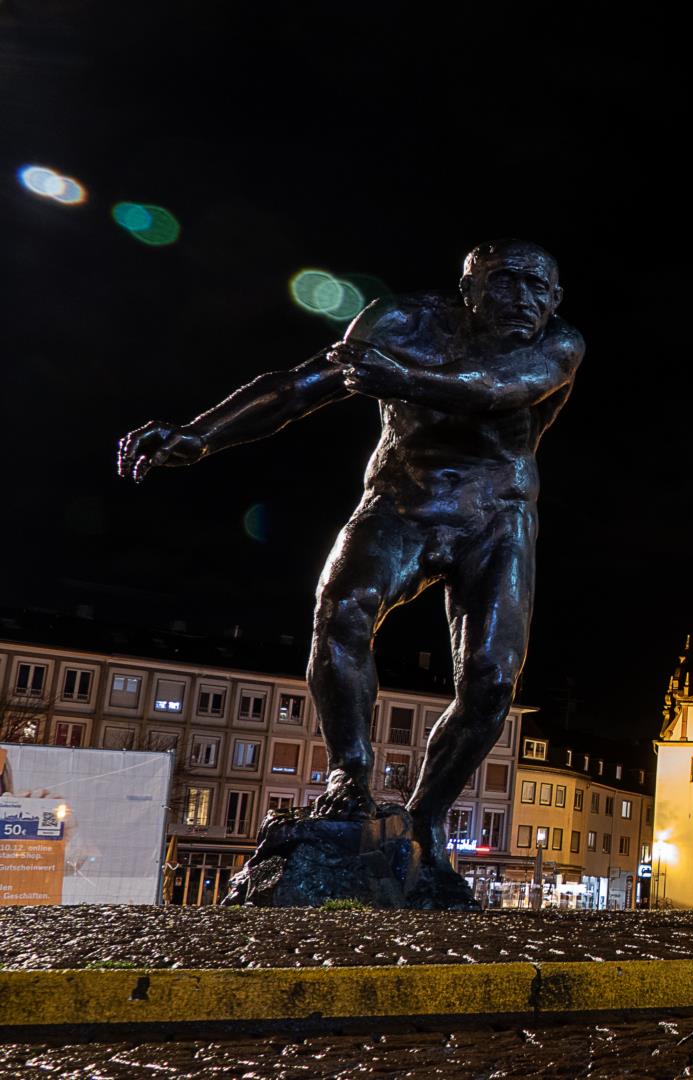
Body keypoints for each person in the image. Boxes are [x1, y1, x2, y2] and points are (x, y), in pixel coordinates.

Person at [117, 240, 583, 905]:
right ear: (469, 288)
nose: (523, 300)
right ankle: (350, 775)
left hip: (497, 520)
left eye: (539, 289)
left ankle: (425, 816)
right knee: (340, 612)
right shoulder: (398, 325)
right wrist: (203, 433)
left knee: (491, 686)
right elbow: (297, 386)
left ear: (555, 300)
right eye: (505, 283)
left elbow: (500, 391)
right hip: (402, 501)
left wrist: (403, 380)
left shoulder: (560, 345)